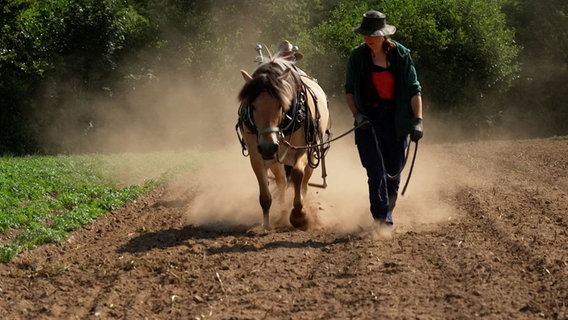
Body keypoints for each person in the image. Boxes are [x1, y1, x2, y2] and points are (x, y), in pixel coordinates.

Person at [344, 10, 423, 229]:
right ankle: (382, 219)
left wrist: (418, 120)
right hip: (368, 121)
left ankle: (387, 210)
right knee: (375, 170)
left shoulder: (401, 55)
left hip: (395, 120)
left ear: (384, 35)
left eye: (373, 34)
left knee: (393, 172)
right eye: (365, 34)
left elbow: (414, 89)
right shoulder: (356, 56)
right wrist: (357, 114)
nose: (368, 38)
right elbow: (349, 90)